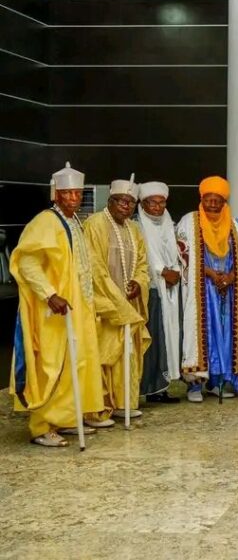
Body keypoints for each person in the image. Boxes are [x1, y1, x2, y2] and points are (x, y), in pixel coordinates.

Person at [9, 162, 105, 447]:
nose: (73, 198)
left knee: (78, 362)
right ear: (56, 194)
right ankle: (41, 426)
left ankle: (66, 417)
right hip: (52, 310)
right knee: (52, 364)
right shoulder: (45, 222)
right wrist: (50, 294)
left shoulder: (76, 222)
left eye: (77, 193)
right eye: (68, 194)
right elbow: (27, 262)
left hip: (78, 308)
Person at [176, 176, 238, 402]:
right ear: (201, 199)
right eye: (209, 199)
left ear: (224, 202)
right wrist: (211, 274)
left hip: (229, 291)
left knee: (225, 335)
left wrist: (231, 276)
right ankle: (194, 385)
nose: (213, 204)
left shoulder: (234, 226)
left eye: (218, 200)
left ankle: (217, 382)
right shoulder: (189, 222)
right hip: (202, 288)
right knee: (202, 333)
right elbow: (182, 257)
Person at [83, 176, 151, 422]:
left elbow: (142, 265)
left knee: (126, 355)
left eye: (131, 202)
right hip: (104, 305)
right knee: (102, 355)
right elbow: (94, 268)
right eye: (121, 200)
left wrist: (138, 283)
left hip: (128, 304)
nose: (126, 206)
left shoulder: (134, 230)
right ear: (110, 201)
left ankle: (122, 403)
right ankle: (97, 408)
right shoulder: (95, 224)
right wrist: (115, 299)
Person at [136, 182, 182, 405]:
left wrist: (175, 270)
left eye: (161, 202)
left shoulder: (168, 223)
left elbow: (176, 253)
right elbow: (141, 256)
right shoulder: (136, 225)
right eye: (152, 202)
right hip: (150, 291)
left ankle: (161, 388)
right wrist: (162, 271)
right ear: (142, 203)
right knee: (152, 342)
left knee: (167, 339)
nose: (157, 207)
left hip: (170, 290)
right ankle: (148, 388)